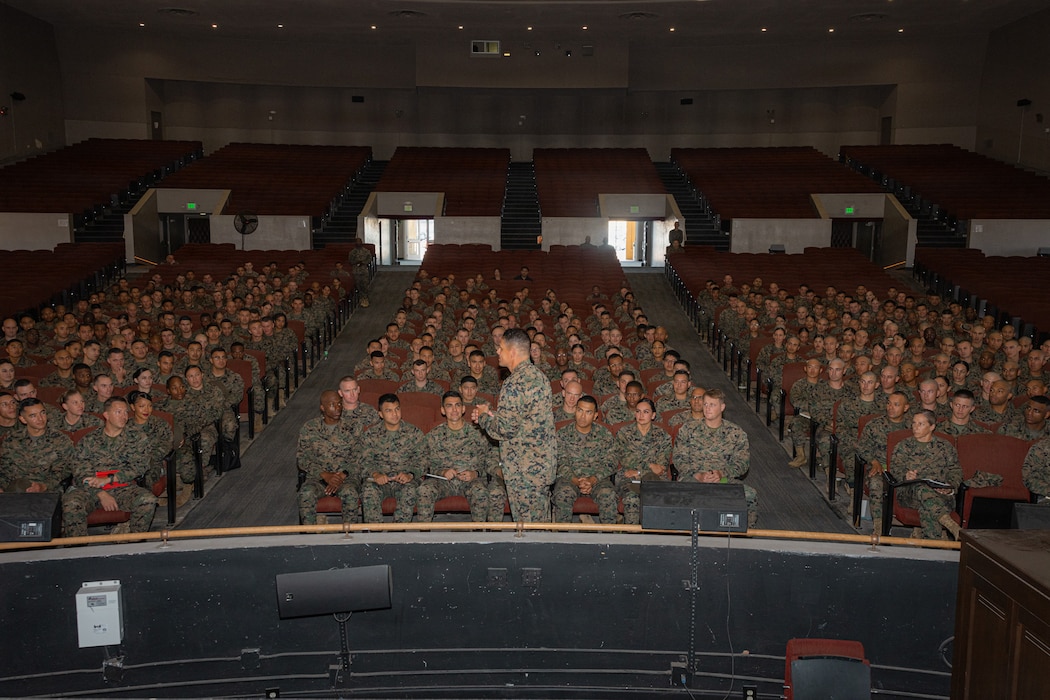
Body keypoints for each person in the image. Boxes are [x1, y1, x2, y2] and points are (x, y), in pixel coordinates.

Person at [473, 328, 556, 522]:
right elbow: (525, 420)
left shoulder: (514, 383)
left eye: (501, 348)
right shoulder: (540, 377)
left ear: (512, 352)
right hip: (541, 466)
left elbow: (503, 430)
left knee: (527, 529)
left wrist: (484, 416)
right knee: (539, 524)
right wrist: (497, 416)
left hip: (524, 470)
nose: (497, 352)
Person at [62, 396, 157, 537]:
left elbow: (140, 466)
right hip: (91, 490)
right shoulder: (89, 440)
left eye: (125, 412)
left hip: (122, 487)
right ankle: (78, 549)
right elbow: (80, 471)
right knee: (71, 504)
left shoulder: (137, 438)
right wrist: (101, 493)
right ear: (106, 415)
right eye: (118, 412)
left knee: (148, 500)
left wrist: (109, 479)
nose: (124, 416)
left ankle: (133, 541)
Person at [672, 389, 758, 526]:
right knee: (682, 495)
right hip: (693, 478)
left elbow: (742, 463)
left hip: (723, 479)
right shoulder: (688, 429)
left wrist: (721, 473)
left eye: (712, 405)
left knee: (749, 495)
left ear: (722, 407)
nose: (707, 408)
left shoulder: (736, 433)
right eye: (705, 404)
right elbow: (678, 458)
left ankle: (745, 537)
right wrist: (697, 474)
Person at [416, 391, 491, 522]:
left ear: (463, 409)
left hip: (470, 481)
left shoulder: (478, 434)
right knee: (424, 490)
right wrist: (442, 471)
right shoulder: (434, 435)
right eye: (449, 406)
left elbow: (489, 461)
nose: (454, 409)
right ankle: (424, 538)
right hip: (443, 481)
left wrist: (475, 473)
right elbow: (425, 463)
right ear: (443, 410)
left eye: (457, 405)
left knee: (480, 492)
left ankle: (479, 537)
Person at [889, 410, 962, 539]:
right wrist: (905, 475)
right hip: (910, 494)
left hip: (940, 494)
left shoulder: (945, 446)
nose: (915, 427)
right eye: (914, 423)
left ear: (932, 427)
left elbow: (955, 470)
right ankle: (951, 526)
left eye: (921, 424)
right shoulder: (904, 445)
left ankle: (931, 546)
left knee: (927, 510)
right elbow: (895, 468)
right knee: (921, 486)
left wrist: (950, 487)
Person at [297, 390, 361, 525]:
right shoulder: (309, 428)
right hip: (318, 478)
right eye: (332, 405)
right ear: (322, 408)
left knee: (350, 493)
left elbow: (360, 456)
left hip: (346, 478)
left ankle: (349, 536)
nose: (337, 408)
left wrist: (342, 474)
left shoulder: (353, 427)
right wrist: (324, 475)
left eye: (339, 404)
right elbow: (303, 459)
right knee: (306, 493)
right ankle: (311, 537)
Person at [552, 395, 618, 524]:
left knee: (608, 494)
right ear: (575, 411)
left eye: (588, 412)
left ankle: (610, 541)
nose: (583, 416)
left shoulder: (604, 434)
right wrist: (576, 481)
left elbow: (611, 461)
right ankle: (562, 539)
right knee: (563, 494)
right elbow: (560, 462)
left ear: (595, 415)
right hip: (569, 479)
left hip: (598, 479)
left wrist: (593, 480)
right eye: (580, 410)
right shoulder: (562, 434)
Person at [359, 393, 424, 522]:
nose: (394, 414)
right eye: (389, 410)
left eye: (397, 409)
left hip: (405, 480)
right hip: (379, 480)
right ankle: (376, 534)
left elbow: (423, 459)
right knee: (368, 490)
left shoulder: (414, 433)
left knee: (410, 490)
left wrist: (410, 474)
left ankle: (397, 535)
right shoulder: (371, 435)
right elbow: (364, 461)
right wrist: (376, 474)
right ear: (380, 414)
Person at [0, 398, 74, 495]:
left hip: (47, 491)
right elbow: (4, 470)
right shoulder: (11, 440)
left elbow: (63, 472)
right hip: (14, 490)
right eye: (33, 416)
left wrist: (43, 486)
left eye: (42, 413)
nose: (40, 418)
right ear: (23, 419)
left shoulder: (60, 440)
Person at [615, 398, 672, 524]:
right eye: (638, 411)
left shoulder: (662, 436)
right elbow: (626, 460)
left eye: (645, 412)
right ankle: (632, 538)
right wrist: (650, 464)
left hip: (654, 479)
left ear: (653, 415)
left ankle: (655, 537)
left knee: (657, 496)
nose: (641, 415)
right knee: (631, 498)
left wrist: (639, 471)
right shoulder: (624, 433)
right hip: (628, 478)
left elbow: (660, 467)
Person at [349, 237, 373, 307]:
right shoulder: (352, 252)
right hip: (356, 271)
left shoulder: (366, 251)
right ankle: (360, 298)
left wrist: (363, 262)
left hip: (364, 270)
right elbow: (350, 260)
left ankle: (365, 298)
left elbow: (369, 258)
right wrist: (356, 262)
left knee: (365, 285)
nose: (358, 243)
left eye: (359, 242)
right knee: (358, 285)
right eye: (357, 242)